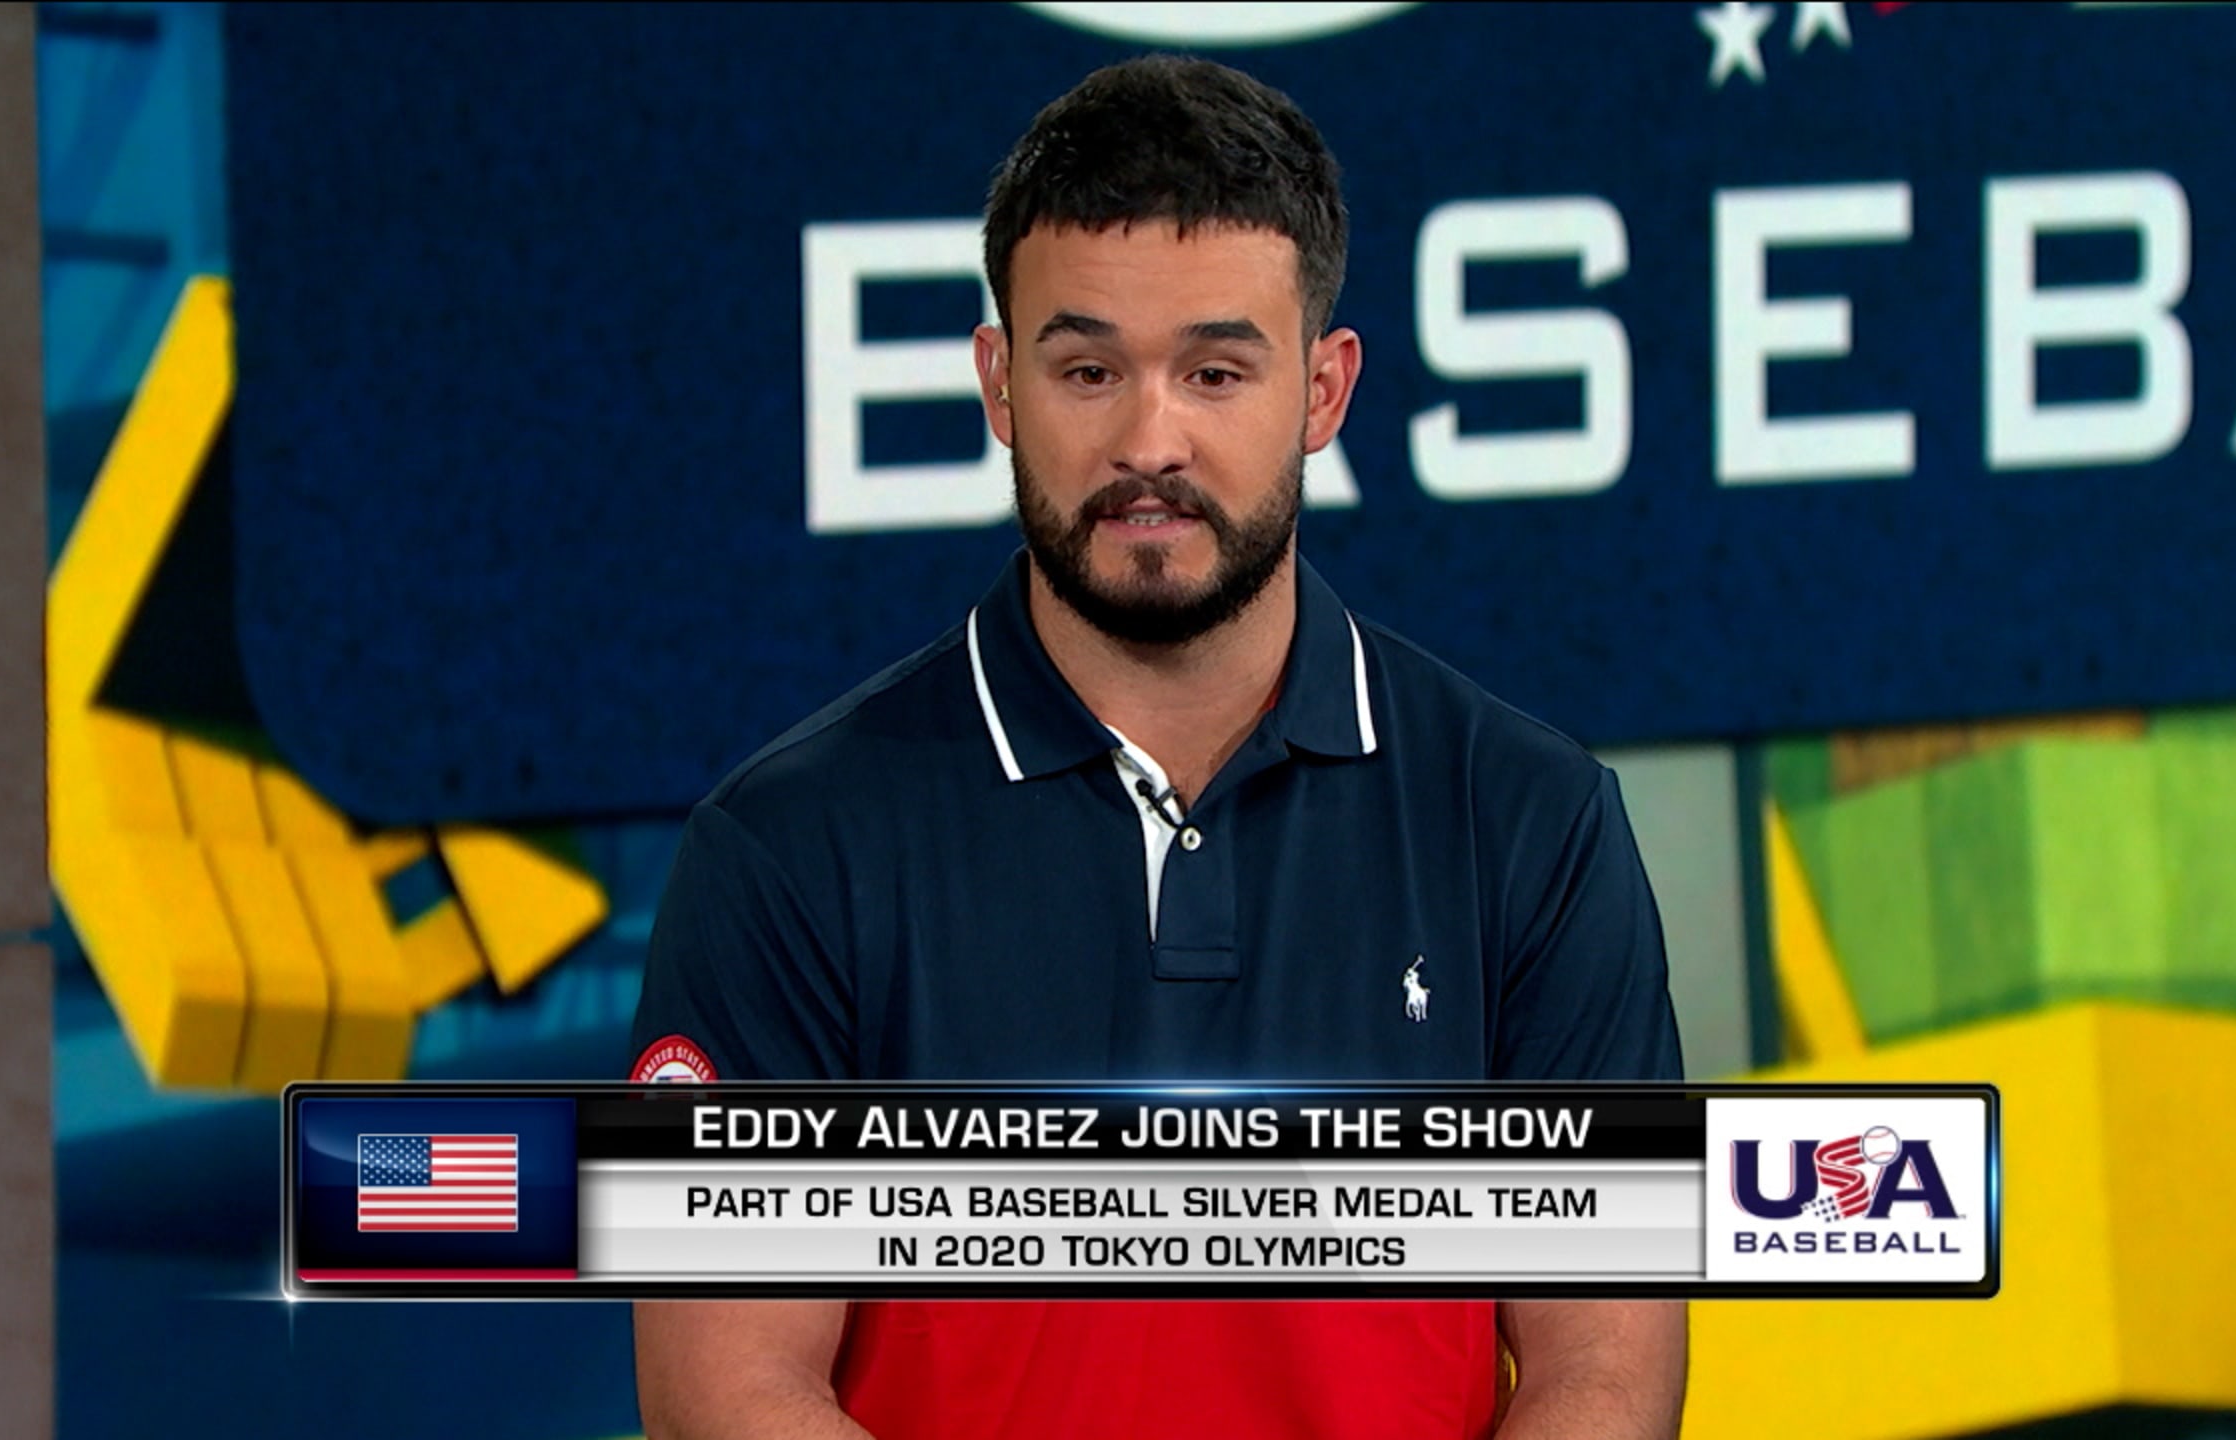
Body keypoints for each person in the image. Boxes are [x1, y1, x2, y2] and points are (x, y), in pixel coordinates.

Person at [629, 53, 1687, 1440]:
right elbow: (725, 1391)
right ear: (1000, 384)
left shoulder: (1531, 822)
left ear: (1323, 390)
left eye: (1215, 370)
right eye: (1088, 369)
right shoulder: (786, 852)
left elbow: (1605, 1372)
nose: (1150, 439)